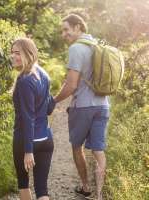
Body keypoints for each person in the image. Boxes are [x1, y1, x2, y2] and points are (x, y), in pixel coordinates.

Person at [53, 14, 110, 200]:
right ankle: (100, 195)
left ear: (78, 27)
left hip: (83, 107)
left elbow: (71, 85)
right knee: (98, 150)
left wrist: (53, 100)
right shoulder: (97, 45)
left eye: (66, 29)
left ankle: (86, 187)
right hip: (103, 105)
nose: (64, 34)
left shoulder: (76, 48)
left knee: (77, 146)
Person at [11, 37, 55, 200]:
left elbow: (28, 118)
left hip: (25, 141)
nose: (13, 56)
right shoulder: (43, 74)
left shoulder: (24, 80)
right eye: (12, 53)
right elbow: (49, 107)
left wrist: (28, 151)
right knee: (42, 189)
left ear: (28, 54)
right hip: (46, 140)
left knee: (23, 183)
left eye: (18, 53)